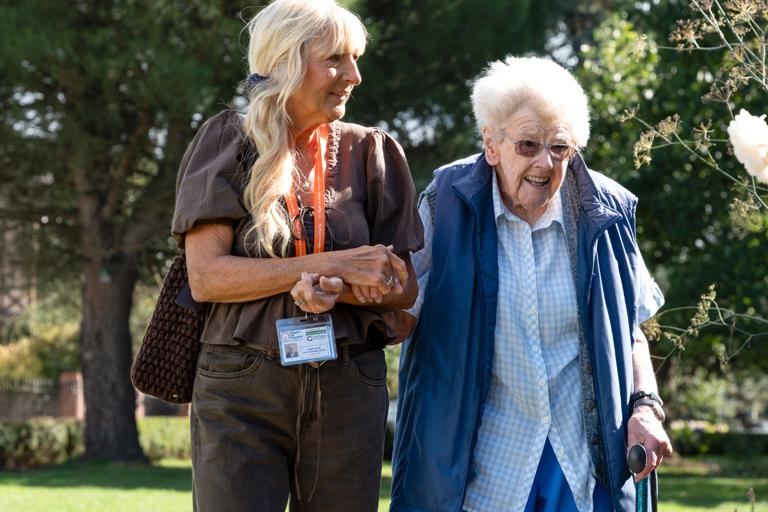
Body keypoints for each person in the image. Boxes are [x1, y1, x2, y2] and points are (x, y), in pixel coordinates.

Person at [171, 1, 423, 511]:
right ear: (285, 61)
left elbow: (405, 290)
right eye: (335, 59)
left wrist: (341, 289)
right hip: (241, 386)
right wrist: (328, 265)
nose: (353, 75)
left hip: (350, 384)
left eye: (354, 58)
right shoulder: (226, 141)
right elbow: (207, 278)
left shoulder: (373, 151)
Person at [391, 56, 672, 512]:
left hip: (583, 459)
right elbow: (400, 313)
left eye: (560, 148)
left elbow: (630, 328)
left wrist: (645, 406)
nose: (545, 162)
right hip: (478, 461)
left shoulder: (607, 211)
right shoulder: (445, 203)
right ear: (491, 143)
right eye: (528, 145)